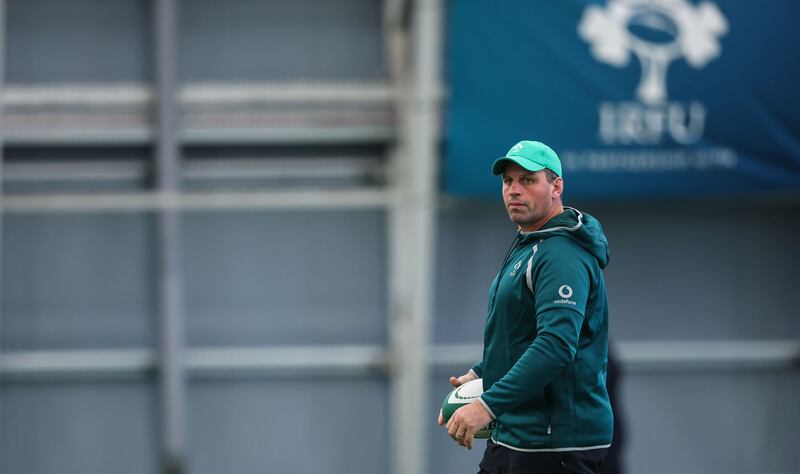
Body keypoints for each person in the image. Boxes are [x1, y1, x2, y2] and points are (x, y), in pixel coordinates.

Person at [438, 140, 613, 473]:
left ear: (556, 186)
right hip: (518, 433)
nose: (514, 190)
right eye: (508, 181)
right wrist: (484, 370)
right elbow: (522, 333)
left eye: (527, 180)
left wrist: (487, 405)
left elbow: (556, 345)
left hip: (556, 444)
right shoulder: (530, 243)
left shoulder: (562, 254)